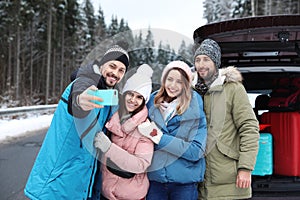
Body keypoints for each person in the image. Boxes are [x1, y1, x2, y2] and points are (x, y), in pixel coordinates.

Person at [24, 44, 129, 200]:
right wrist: (80, 100)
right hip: (55, 185)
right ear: (102, 65)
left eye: (121, 70)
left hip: (81, 187)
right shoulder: (84, 83)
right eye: (112, 66)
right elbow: (79, 94)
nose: (115, 73)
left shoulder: (108, 101)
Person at [192, 38, 259, 200]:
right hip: (199, 181)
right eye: (197, 60)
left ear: (216, 62)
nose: (201, 64)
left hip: (229, 180)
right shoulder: (192, 91)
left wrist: (245, 168)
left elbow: (249, 128)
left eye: (206, 59)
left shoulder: (233, 89)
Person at [137, 60, 207, 200]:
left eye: (179, 82)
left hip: (184, 184)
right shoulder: (151, 104)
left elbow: (196, 151)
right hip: (155, 182)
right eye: (170, 79)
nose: (173, 85)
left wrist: (159, 138)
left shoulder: (195, 109)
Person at [93, 64, 154, 200]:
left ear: (144, 101)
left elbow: (141, 164)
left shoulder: (146, 128)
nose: (133, 100)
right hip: (105, 191)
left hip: (130, 195)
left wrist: (109, 148)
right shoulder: (112, 118)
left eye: (139, 97)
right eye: (131, 94)